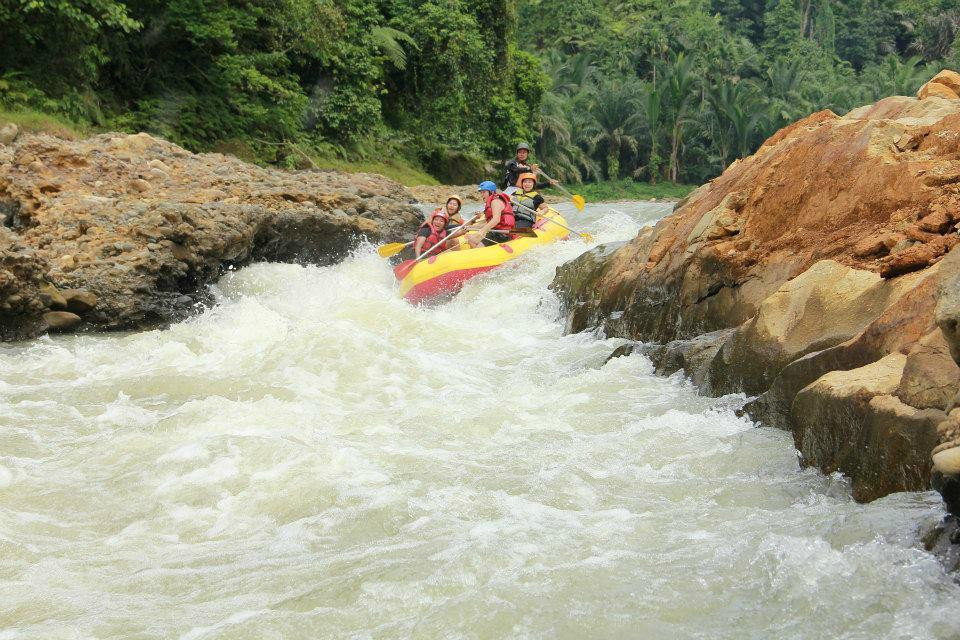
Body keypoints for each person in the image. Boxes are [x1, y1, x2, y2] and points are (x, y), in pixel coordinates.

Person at [467, 181, 515, 248]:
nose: (482, 195)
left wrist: (483, 230)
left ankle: (480, 254)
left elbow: (496, 220)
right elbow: (489, 223)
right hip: (495, 232)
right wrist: (471, 227)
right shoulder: (492, 202)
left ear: (491, 192)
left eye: (484, 192)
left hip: (502, 234)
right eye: (481, 193)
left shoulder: (495, 201)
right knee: (471, 239)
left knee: (474, 242)